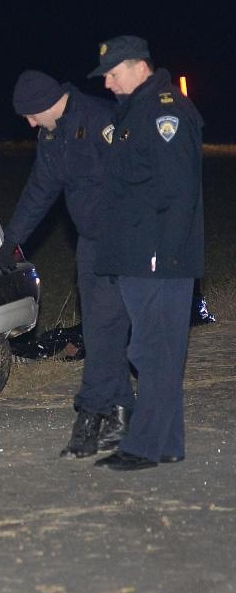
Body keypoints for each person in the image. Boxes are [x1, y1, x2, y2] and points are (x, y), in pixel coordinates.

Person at [0, 70, 131, 458]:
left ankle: (91, 414)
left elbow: (135, 176)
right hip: (89, 243)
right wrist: (11, 241)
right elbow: (41, 188)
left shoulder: (99, 119)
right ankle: (120, 414)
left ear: (45, 103)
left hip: (120, 240)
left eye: (31, 115)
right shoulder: (51, 134)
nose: (30, 123)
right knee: (101, 328)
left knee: (105, 329)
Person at [88, 35, 205, 470]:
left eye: (113, 74)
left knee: (151, 351)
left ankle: (143, 447)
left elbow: (178, 191)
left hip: (155, 256)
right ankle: (167, 442)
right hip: (141, 253)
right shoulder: (138, 108)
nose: (108, 84)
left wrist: (168, 256)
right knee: (161, 350)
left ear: (138, 67)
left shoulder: (164, 110)